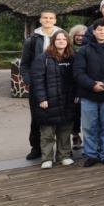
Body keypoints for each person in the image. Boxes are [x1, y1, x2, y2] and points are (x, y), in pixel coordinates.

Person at [73, 18, 104, 167]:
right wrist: (92, 85)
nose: (102, 32)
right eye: (99, 30)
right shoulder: (84, 50)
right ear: (93, 32)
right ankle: (91, 155)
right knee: (89, 127)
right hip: (88, 94)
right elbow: (78, 72)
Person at [32, 30, 77, 169]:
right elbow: (37, 80)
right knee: (48, 131)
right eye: (58, 39)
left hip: (68, 99)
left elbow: (76, 78)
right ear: (53, 41)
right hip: (49, 100)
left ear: (68, 42)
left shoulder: (72, 57)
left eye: (64, 39)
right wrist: (42, 98)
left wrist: (77, 94)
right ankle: (47, 158)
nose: (61, 41)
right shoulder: (43, 58)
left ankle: (64, 156)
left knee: (65, 130)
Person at [21, 10, 61, 160]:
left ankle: (62, 149)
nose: (48, 20)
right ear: (40, 20)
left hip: (58, 82)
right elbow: (25, 64)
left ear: (55, 20)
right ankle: (36, 147)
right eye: (45, 18)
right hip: (38, 84)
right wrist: (29, 81)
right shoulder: (32, 41)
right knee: (37, 116)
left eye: (51, 18)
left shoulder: (62, 37)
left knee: (60, 116)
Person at [67, 24, 87, 149]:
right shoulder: (68, 49)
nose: (80, 38)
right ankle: (75, 134)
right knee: (73, 113)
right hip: (70, 85)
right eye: (77, 35)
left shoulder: (89, 48)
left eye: (83, 35)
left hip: (85, 84)